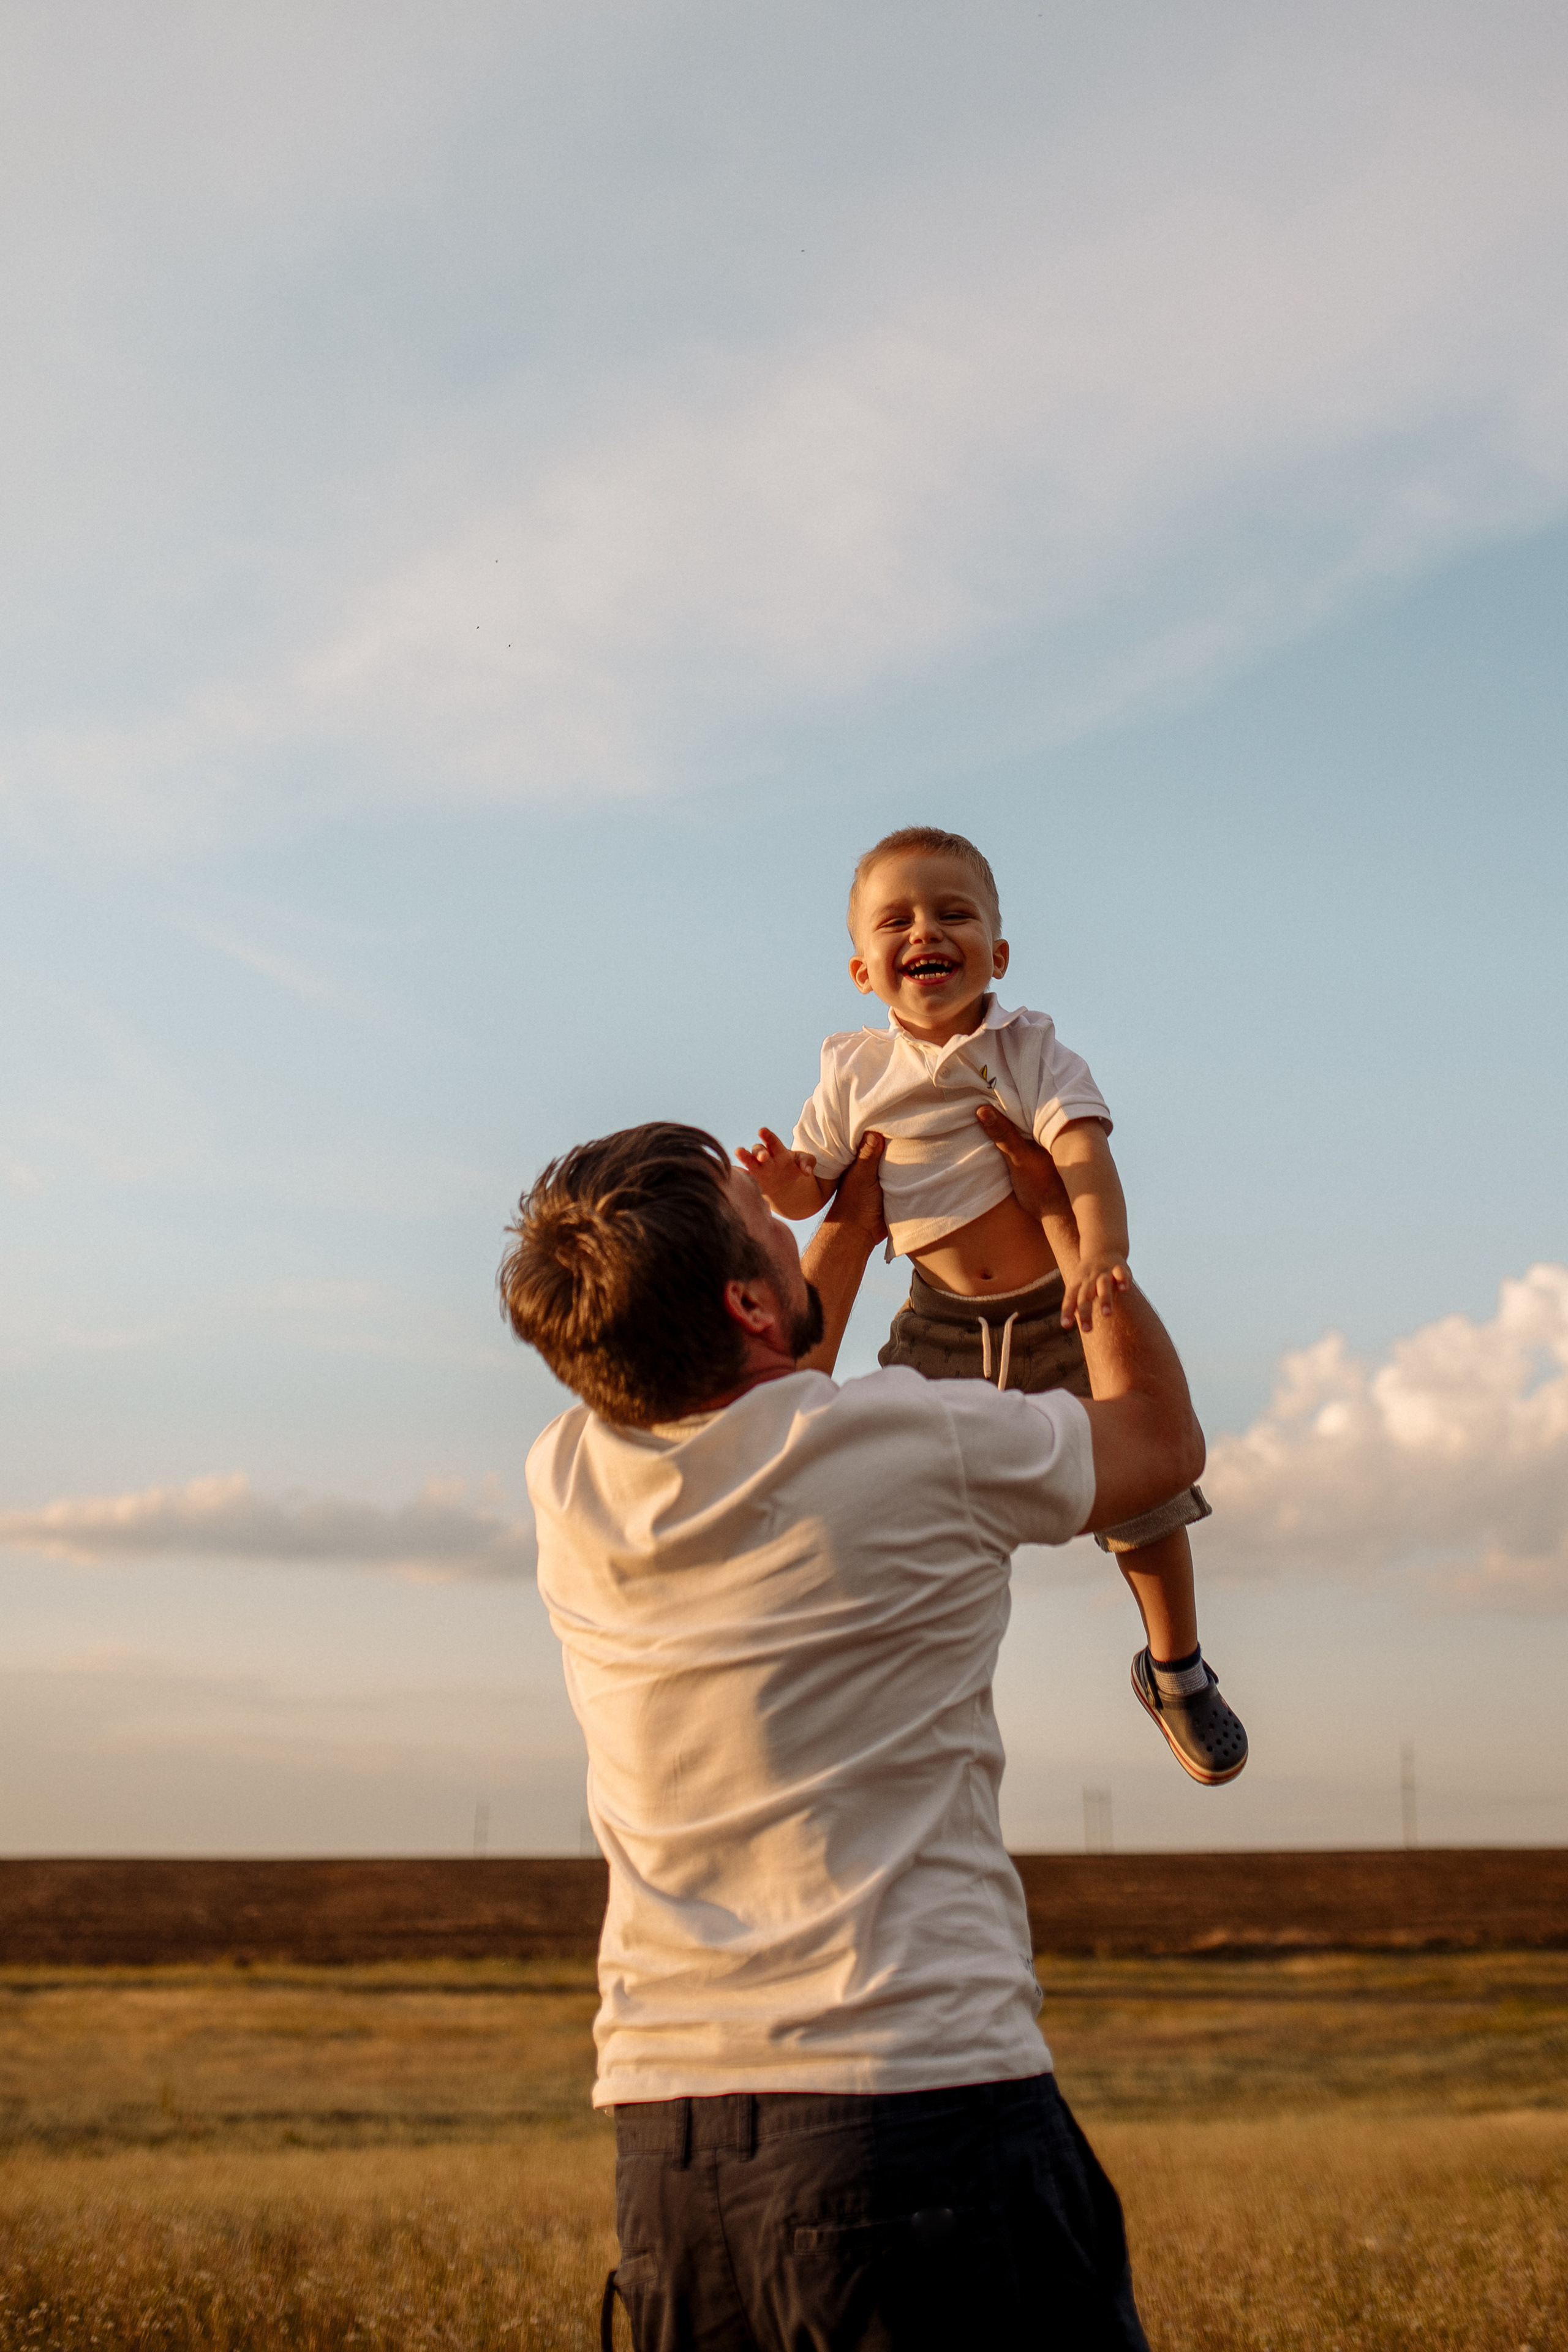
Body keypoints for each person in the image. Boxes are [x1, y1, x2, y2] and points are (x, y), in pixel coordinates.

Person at [499, 1107, 1207, 2348]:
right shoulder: (914, 1437)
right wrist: (1072, 1235)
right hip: (915, 2112)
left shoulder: (568, 1477)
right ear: (744, 1306)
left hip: (672, 2155)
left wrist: (847, 1233)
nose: (790, 1218)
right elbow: (1155, 1446)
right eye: (761, 1219)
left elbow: (769, 1405)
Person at [737, 824, 1245, 1786]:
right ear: (863, 971)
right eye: (898, 920)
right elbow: (819, 1194)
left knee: (1146, 1498)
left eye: (953, 913)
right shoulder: (852, 1072)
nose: (926, 930)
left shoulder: (1029, 1051)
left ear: (998, 954)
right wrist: (782, 1181)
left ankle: (1176, 1667)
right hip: (936, 1322)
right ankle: (870, 1672)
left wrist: (1104, 1251)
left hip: (1059, 1303)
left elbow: (1085, 1156)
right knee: (868, 1475)